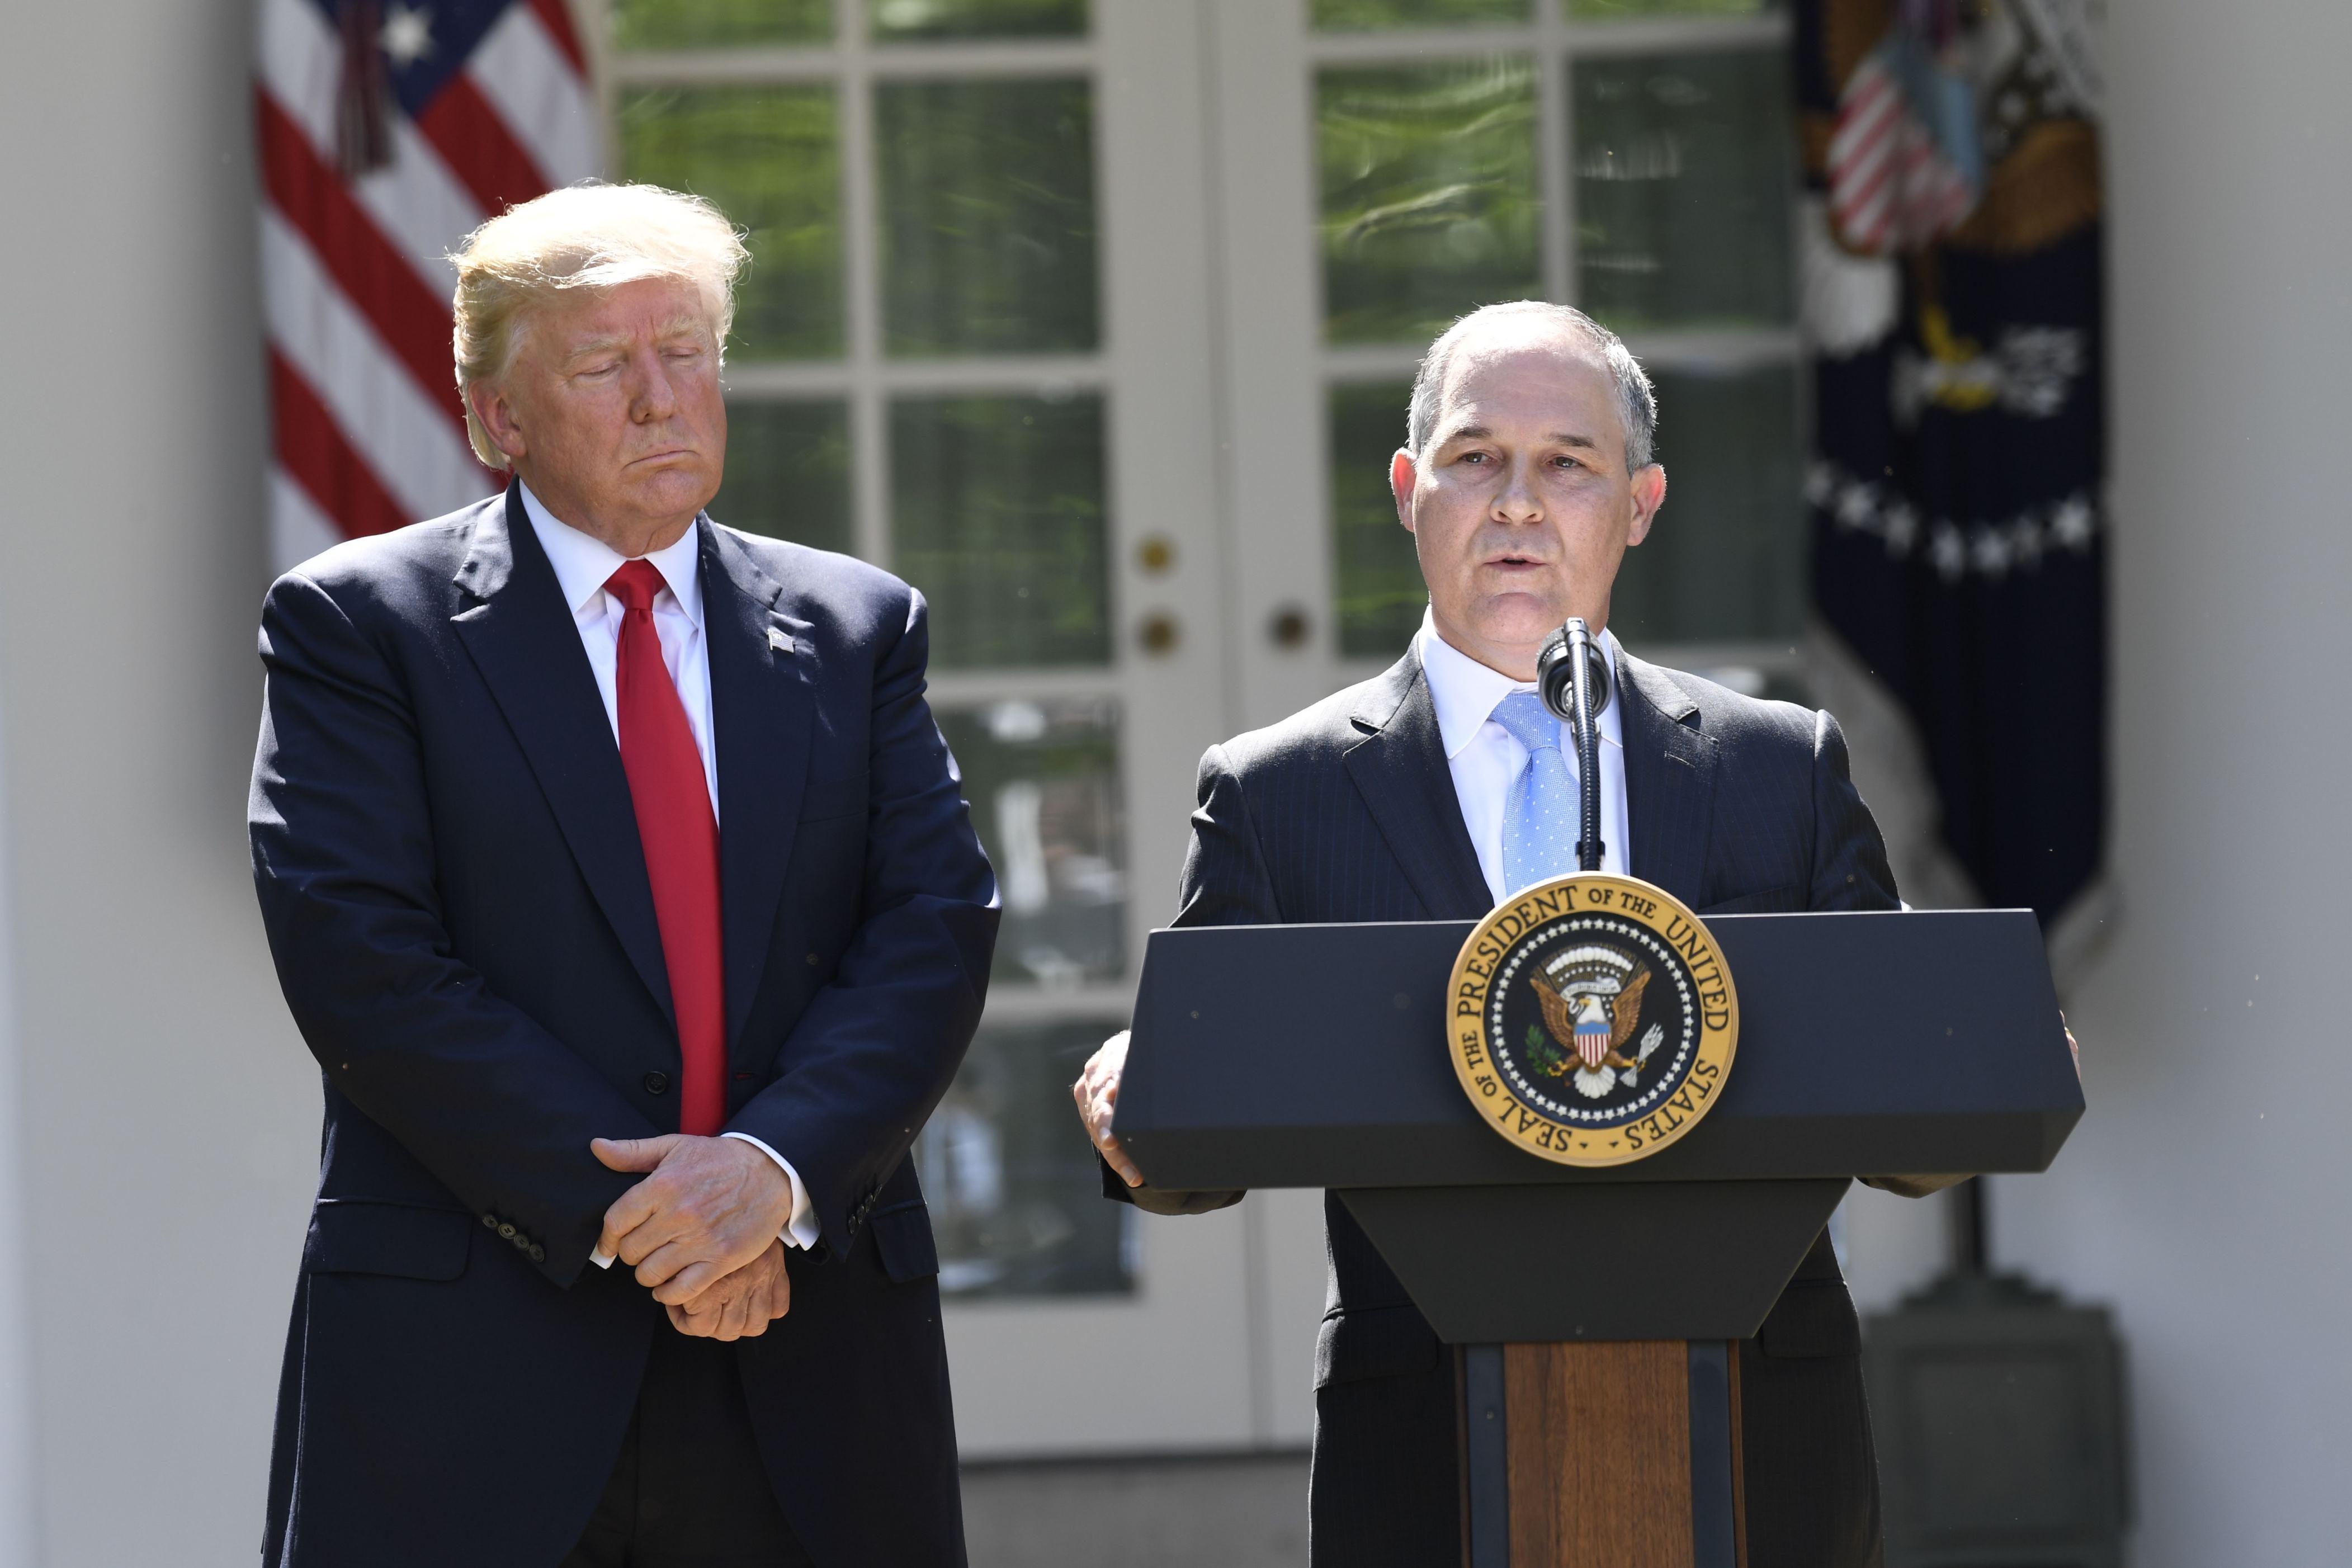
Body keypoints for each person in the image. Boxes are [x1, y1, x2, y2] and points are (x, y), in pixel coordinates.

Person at [1073, 301, 1899, 1567]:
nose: (1518, 501)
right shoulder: (1277, 790)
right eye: (1474, 458)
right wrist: (1143, 1091)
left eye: (1569, 463)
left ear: (1641, 503)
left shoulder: (1775, 770)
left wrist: (1979, 1038)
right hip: (1428, 1447)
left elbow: (1908, 1104)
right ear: (1409, 491)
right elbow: (1193, 1150)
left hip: (1756, 1433)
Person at [249, 183, 998, 1568]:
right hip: (480, 1363)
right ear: (496, 419)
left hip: (805, 1349)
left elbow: (933, 927)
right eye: (604, 364)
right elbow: (366, 961)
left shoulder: (854, 626)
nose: (663, 398)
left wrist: (768, 1175)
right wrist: (655, 1216)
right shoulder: (363, 628)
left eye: (688, 353)